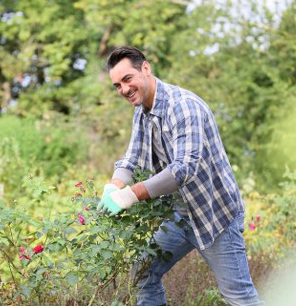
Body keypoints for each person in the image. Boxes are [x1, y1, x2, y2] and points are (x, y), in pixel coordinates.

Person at [97, 46, 263, 306]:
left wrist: (129, 195)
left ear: (146, 69)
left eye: (127, 79)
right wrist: (112, 187)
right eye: (117, 85)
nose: (124, 89)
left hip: (215, 216)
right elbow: (132, 158)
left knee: (240, 297)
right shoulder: (142, 113)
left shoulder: (184, 107)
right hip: (182, 216)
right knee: (142, 272)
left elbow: (183, 169)